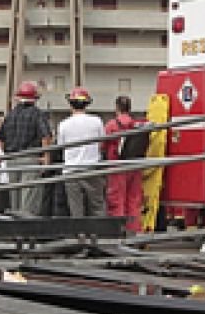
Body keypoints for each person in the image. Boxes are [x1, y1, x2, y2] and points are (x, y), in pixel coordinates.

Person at [0, 81, 52, 215]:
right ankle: (27, 229)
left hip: (11, 160)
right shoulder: (37, 114)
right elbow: (46, 137)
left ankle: (15, 231)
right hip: (30, 159)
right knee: (29, 198)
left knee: (14, 197)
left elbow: (1, 140)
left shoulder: (10, 115)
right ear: (34, 98)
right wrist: (46, 157)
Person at [57, 87, 105, 217]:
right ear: (87, 104)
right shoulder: (97, 121)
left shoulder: (63, 124)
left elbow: (61, 146)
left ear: (70, 104)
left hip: (71, 170)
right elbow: (102, 143)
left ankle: (80, 235)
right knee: (97, 206)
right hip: (92, 169)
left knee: (76, 209)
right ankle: (98, 233)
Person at [103, 95, 145, 234]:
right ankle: (134, 232)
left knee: (116, 201)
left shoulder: (112, 125)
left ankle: (117, 231)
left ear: (117, 108)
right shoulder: (136, 124)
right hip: (135, 166)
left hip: (117, 167)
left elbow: (103, 145)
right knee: (134, 201)